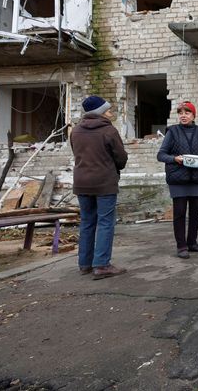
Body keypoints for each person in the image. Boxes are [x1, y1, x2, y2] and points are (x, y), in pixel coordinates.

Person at [70, 95, 128, 280]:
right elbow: (121, 158)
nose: (111, 113)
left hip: (81, 182)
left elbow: (76, 153)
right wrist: (113, 167)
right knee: (105, 223)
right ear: (100, 112)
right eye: (108, 110)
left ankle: (85, 264)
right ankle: (102, 265)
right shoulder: (109, 131)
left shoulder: (76, 131)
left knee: (87, 222)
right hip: (104, 183)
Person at [157, 101, 198, 258]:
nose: (183, 115)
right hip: (178, 179)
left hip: (197, 178)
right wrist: (175, 158)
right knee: (179, 213)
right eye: (180, 113)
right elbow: (161, 155)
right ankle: (181, 247)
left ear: (194, 115)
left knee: (196, 212)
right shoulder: (172, 132)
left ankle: (192, 243)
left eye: (187, 113)